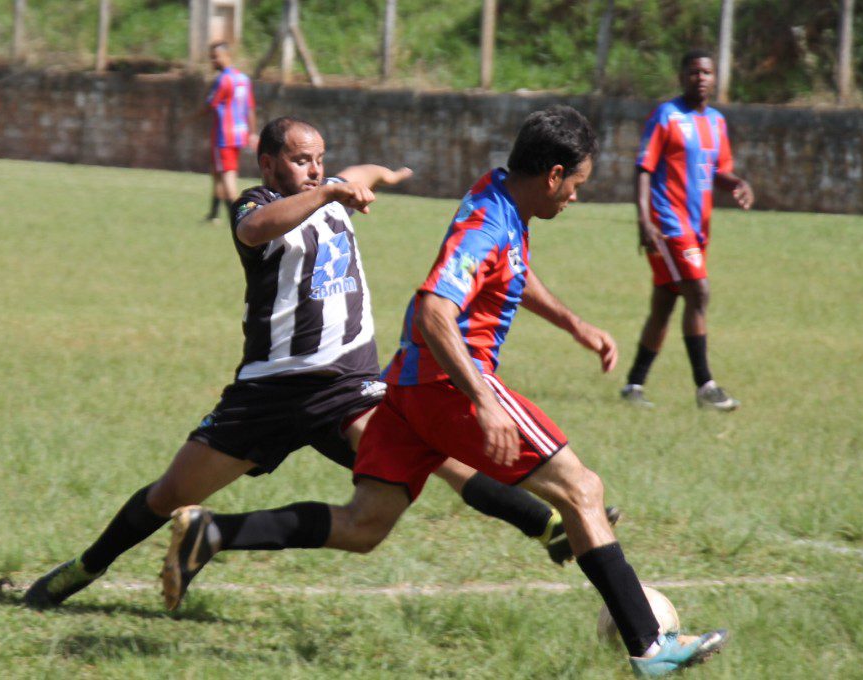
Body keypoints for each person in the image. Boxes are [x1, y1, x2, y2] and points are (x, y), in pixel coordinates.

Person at [163, 107, 728, 677]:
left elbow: (510, 269)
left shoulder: (500, 195)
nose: (575, 197)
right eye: (575, 184)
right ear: (553, 175)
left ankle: (216, 531)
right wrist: (483, 400)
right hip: (445, 384)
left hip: (406, 388)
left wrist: (574, 324)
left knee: (363, 525)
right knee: (582, 489)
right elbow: (435, 310)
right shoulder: (488, 222)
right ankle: (649, 647)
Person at [23, 116, 605, 611]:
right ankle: (84, 568)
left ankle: (546, 524)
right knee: (169, 493)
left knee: (438, 457)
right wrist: (330, 192)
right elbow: (255, 230)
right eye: (301, 160)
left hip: (346, 386)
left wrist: (382, 175)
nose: (313, 169)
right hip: (268, 392)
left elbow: (361, 174)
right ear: (268, 163)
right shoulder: (258, 204)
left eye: (319, 161)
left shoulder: (332, 187)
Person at [621, 49, 754, 411]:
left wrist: (737, 183)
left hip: (698, 227)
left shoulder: (717, 123)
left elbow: (717, 171)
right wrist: (644, 219)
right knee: (698, 292)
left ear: (715, 77)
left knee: (665, 302)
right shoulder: (667, 116)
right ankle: (705, 387)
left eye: (706, 72)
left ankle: (633, 385)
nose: (701, 78)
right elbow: (644, 168)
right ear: (681, 77)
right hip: (668, 223)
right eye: (694, 72)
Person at [204, 41, 258, 223]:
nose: (213, 61)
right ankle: (213, 214)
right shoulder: (243, 79)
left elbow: (209, 105)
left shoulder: (223, 79)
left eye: (215, 57)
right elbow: (250, 107)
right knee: (218, 174)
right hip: (238, 134)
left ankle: (239, 218)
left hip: (223, 136)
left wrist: (189, 118)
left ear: (227, 56)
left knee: (228, 177)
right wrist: (252, 133)